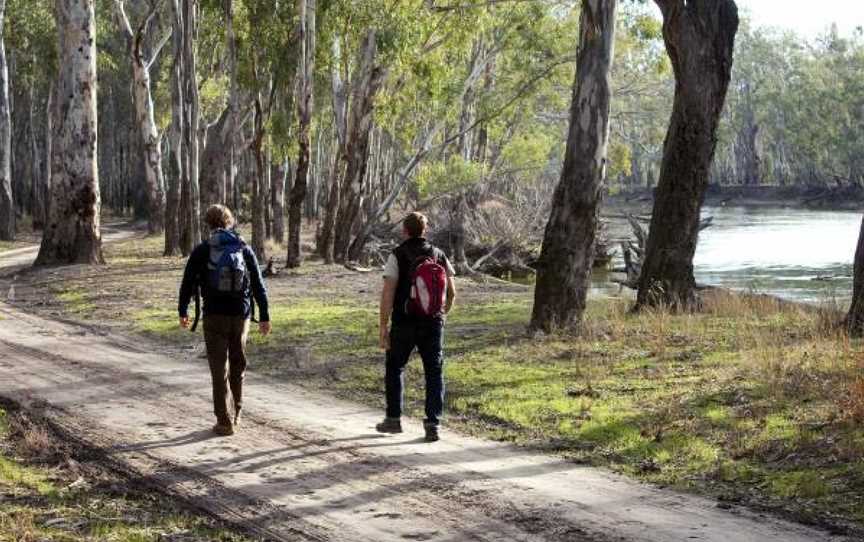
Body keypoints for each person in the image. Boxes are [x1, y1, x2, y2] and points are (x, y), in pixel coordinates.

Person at [178, 204, 271, 437]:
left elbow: (187, 282)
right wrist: (265, 317)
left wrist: (183, 310)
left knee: (219, 368)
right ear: (229, 221)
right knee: (238, 363)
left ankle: (224, 421)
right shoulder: (243, 248)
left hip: (214, 315)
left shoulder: (203, 250)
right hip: (241, 314)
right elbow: (259, 285)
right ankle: (238, 411)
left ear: (208, 224)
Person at [377, 212, 456, 442]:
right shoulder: (439, 254)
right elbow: (452, 292)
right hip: (433, 323)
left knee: (395, 367)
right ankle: (433, 425)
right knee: (434, 372)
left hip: (404, 322)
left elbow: (388, 292)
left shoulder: (397, 254)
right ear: (426, 230)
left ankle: (393, 420)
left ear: (405, 231)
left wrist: (383, 325)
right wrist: (442, 315)